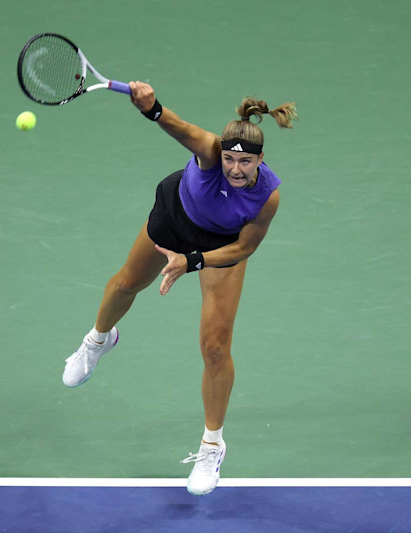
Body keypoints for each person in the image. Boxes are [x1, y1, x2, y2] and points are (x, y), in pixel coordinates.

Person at [62, 81, 297, 495]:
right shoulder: (209, 152)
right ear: (220, 154)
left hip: (220, 244)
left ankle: (212, 446)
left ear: (262, 159)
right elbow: (184, 128)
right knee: (127, 284)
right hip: (176, 217)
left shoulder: (268, 197)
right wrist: (151, 109)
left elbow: (244, 246)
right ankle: (98, 340)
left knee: (215, 348)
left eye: (245, 163)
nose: (235, 170)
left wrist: (193, 261)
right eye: (228, 160)